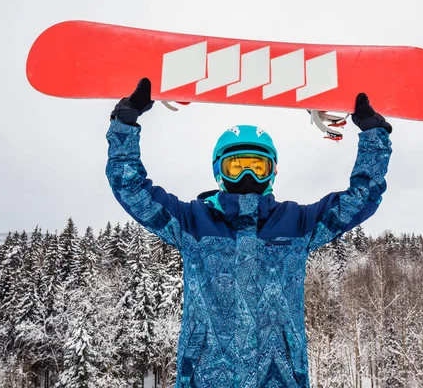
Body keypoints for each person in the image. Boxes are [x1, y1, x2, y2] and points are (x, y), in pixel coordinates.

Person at [106, 78, 392, 388]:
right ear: (219, 171)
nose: (247, 175)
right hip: (206, 378)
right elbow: (131, 189)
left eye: (257, 167)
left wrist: (372, 135)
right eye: (236, 167)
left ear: (272, 172)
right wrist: (126, 122)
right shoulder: (192, 222)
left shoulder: (296, 223)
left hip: (279, 377)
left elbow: (361, 198)